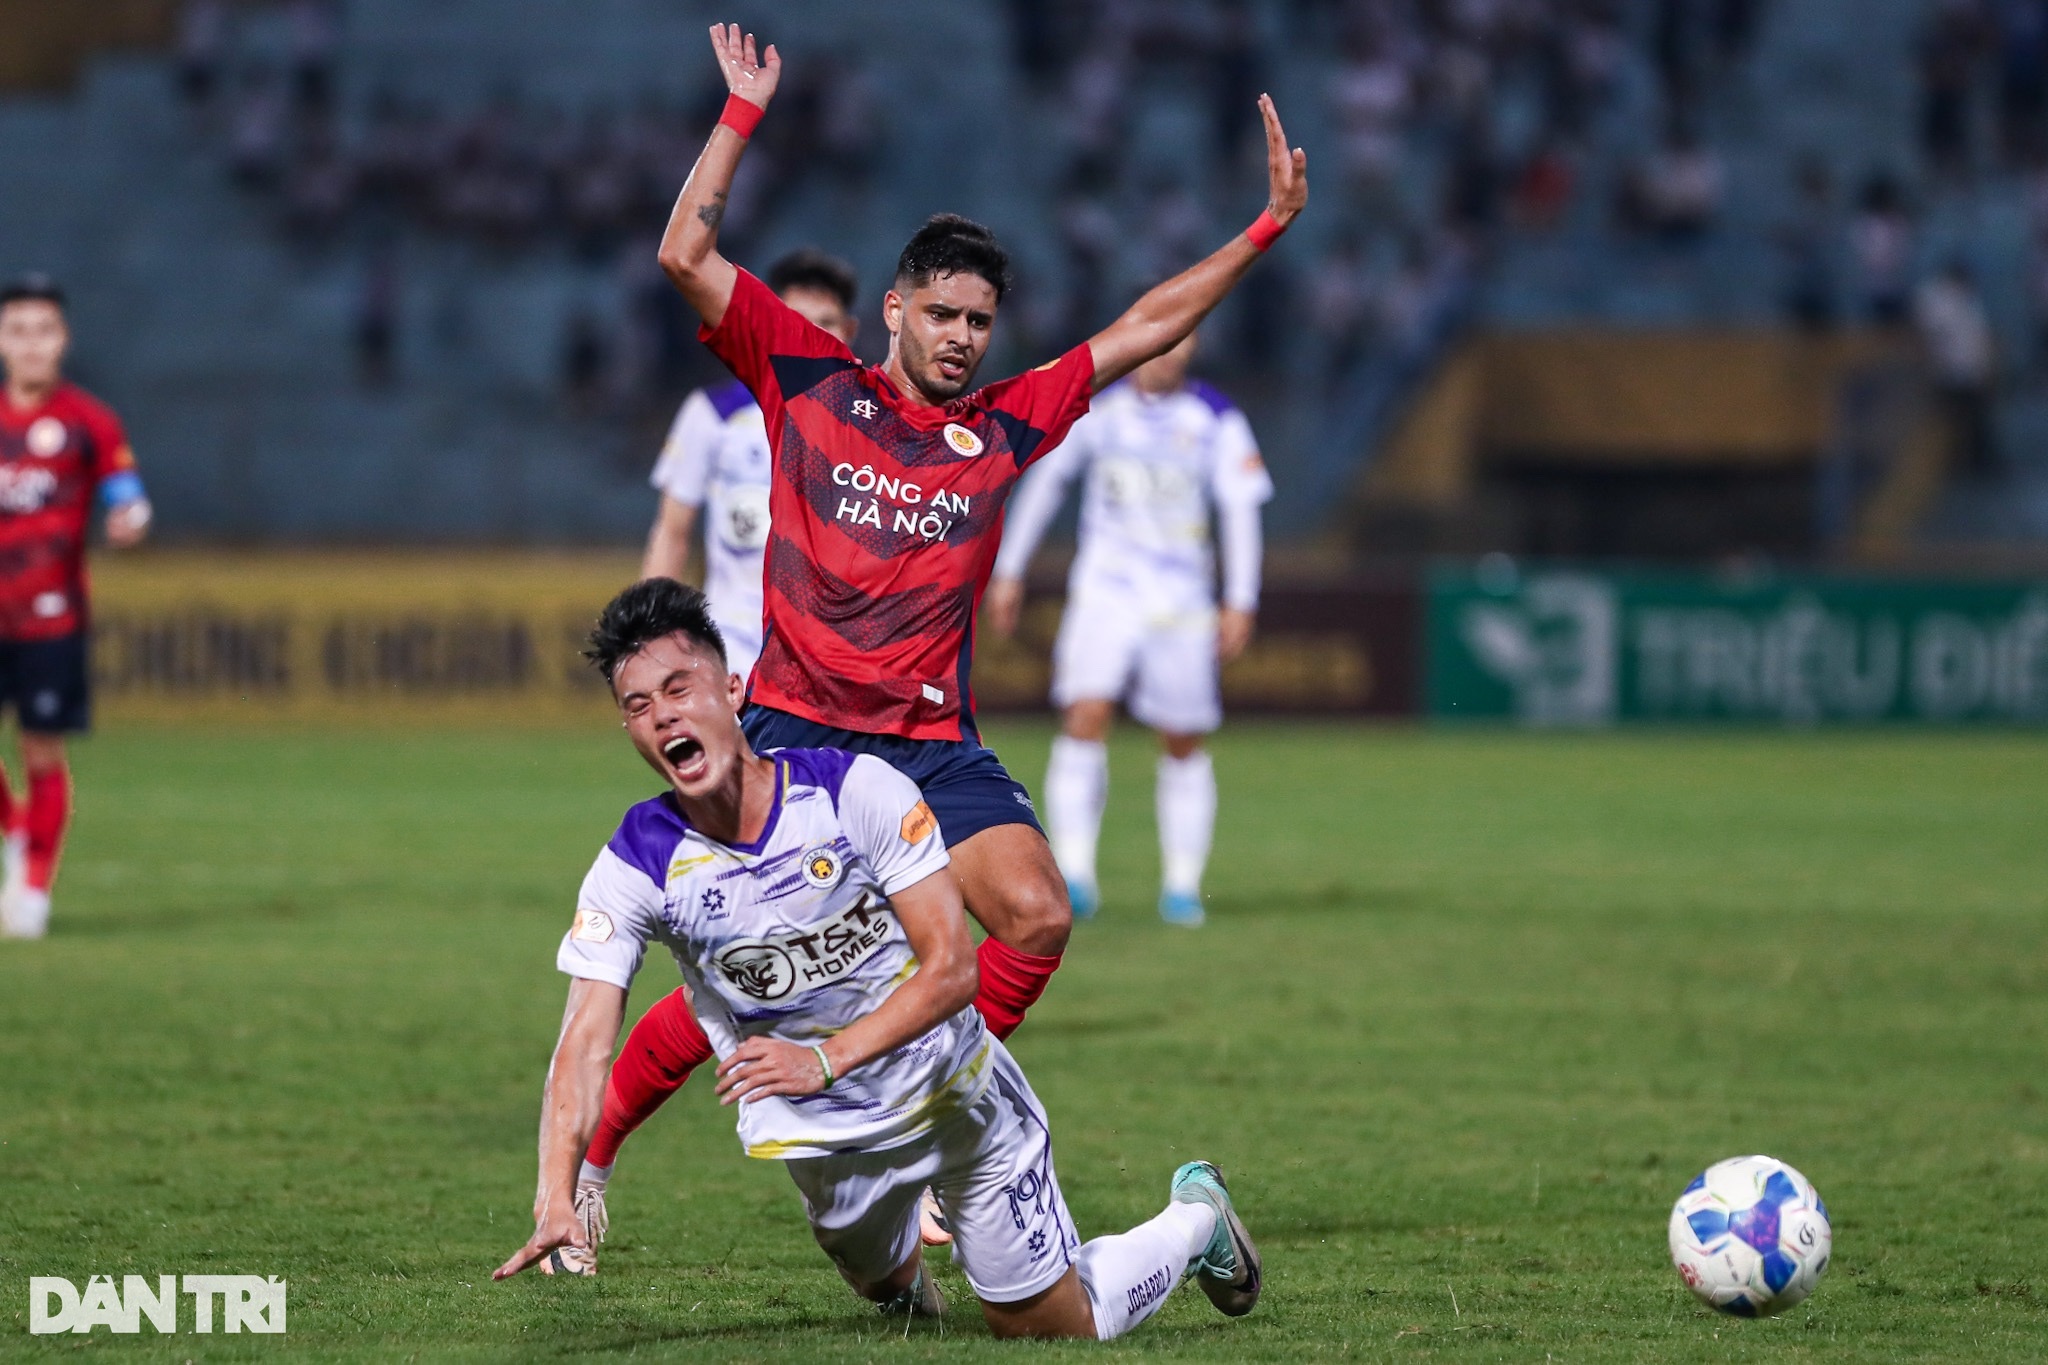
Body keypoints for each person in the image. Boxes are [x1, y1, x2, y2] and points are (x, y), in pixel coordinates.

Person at [557, 19, 1306, 1266]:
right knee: (740, 979)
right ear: (893, 310)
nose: (963, 337)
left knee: (1037, 914)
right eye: (943, 313)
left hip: (926, 745)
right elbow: (682, 248)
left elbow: (1139, 327)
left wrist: (1265, 227)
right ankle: (588, 1164)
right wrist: (740, 115)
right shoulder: (803, 377)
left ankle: (952, 1131)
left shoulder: (1008, 424)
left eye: (981, 320)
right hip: (792, 732)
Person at [492, 579, 1263, 1342]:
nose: (662, 714)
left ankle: (1195, 1218)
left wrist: (822, 1060)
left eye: (678, 687)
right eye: (637, 705)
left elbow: (956, 969)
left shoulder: (855, 792)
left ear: (733, 690)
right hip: (826, 1145)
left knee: (1052, 1329)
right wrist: (559, 1188)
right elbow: (586, 1038)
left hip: (956, 1103)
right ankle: (899, 1265)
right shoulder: (634, 865)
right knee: (878, 1282)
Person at [985, 334, 1270, 927]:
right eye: (1161, 341)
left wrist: (1240, 599)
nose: (1167, 353)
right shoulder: (1099, 409)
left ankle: (1183, 885)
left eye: (1182, 343)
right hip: (1105, 593)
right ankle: (1078, 873)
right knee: (1084, 716)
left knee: (1183, 737)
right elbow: (1046, 482)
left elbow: (1241, 509)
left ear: (1192, 347)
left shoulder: (1215, 419)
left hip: (1182, 602)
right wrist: (1009, 570)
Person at [0, 277, 152, 940]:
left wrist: (131, 515)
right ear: (2, 341)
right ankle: (15, 829)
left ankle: (32, 888)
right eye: (19, 330)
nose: (32, 344)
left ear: (63, 340)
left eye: (44, 330)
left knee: (41, 750)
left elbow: (127, 490)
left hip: (51, 619)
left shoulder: (90, 421)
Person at [640, 248, 861, 681]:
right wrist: (648, 635)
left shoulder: (875, 423)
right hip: (735, 650)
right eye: (796, 322)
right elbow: (672, 532)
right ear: (772, 326)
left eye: (826, 325)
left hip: (834, 659)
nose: (810, 338)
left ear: (850, 331)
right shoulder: (713, 414)